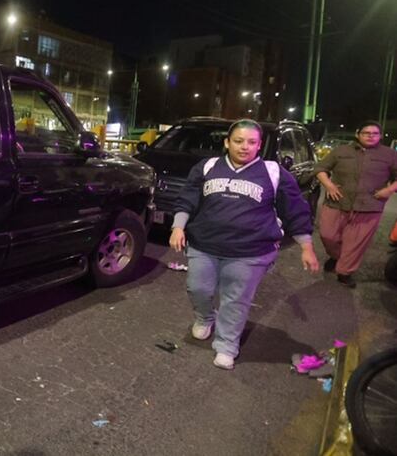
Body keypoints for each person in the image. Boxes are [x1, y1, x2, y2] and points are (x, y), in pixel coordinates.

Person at [170, 119, 318, 370]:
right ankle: (205, 318)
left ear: (259, 145)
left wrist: (306, 246)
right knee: (198, 288)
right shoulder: (207, 167)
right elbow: (188, 198)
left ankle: (227, 345)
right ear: (227, 142)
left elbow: (295, 209)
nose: (244, 147)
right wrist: (178, 226)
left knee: (235, 299)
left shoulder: (273, 172)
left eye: (251, 142)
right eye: (238, 141)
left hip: (250, 251)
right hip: (204, 245)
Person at [314, 121, 397, 288]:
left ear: (380, 136)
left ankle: (344, 272)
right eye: (366, 133)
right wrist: (329, 185)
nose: (371, 136)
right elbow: (320, 168)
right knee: (328, 235)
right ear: (358, 134)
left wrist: (388, 190)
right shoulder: (341, 151)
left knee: (355, 243)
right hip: (337, 202)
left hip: (370, 206)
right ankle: (336, 256)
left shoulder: (389, 155)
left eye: (375, 133)